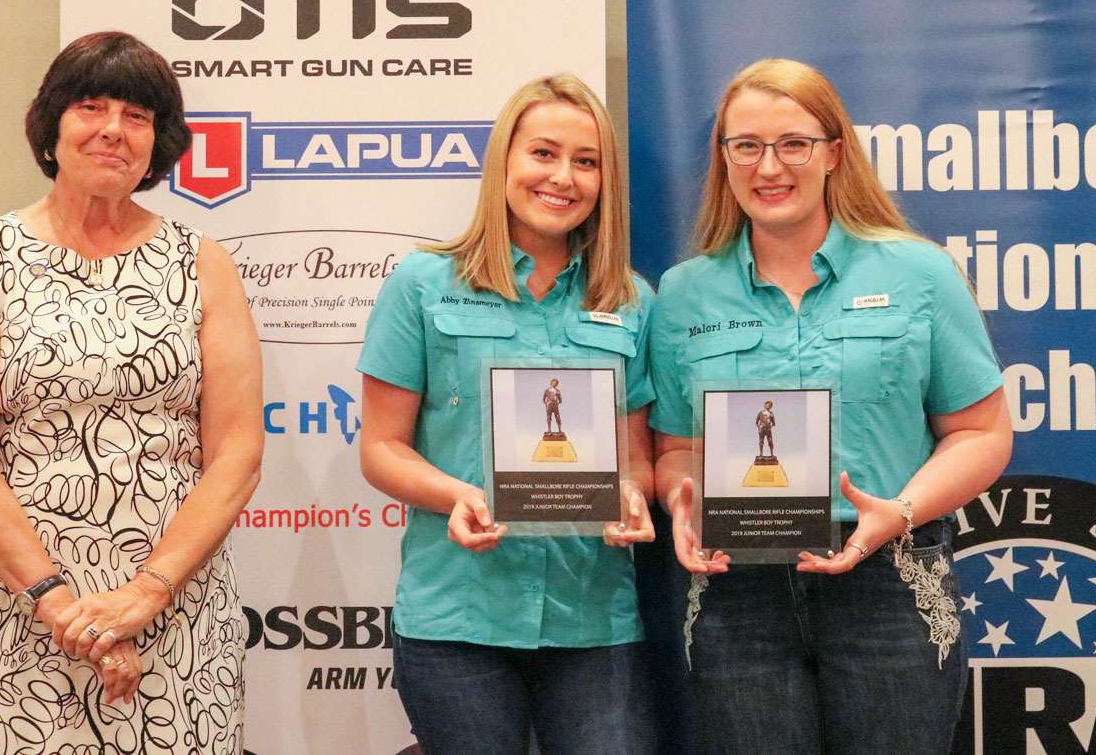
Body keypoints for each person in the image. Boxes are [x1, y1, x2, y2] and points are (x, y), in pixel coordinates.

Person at [648, 58, 1013, 753]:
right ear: (724, 159)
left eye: (793, 143)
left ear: (833, 153)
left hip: (887, 578)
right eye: (746, 146)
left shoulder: (918, 273)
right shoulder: (684, 293)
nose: (769, 166)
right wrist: (682, 500)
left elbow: (981, 431)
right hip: (737, 589)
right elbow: (674, 446)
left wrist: (896, 513)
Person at [0, 31, 263, 753]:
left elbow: (236, 453)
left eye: (137, 116)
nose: (113, 129)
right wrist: (57, 602)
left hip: (173, 607)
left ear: (158, 141)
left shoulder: (203, 264)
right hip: (8, 610)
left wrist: (146, 594)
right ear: (53, 125)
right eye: (90, 105)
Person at [357, 74, 658, 754]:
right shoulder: (423, 284)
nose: (564, 178)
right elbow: (381, 447)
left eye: (587, 162)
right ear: (505, 162)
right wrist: (458, 494)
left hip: (593, 620)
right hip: (457, 619)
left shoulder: (632, 298)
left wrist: (633, 493)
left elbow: (635, 455)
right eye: (544, 153)